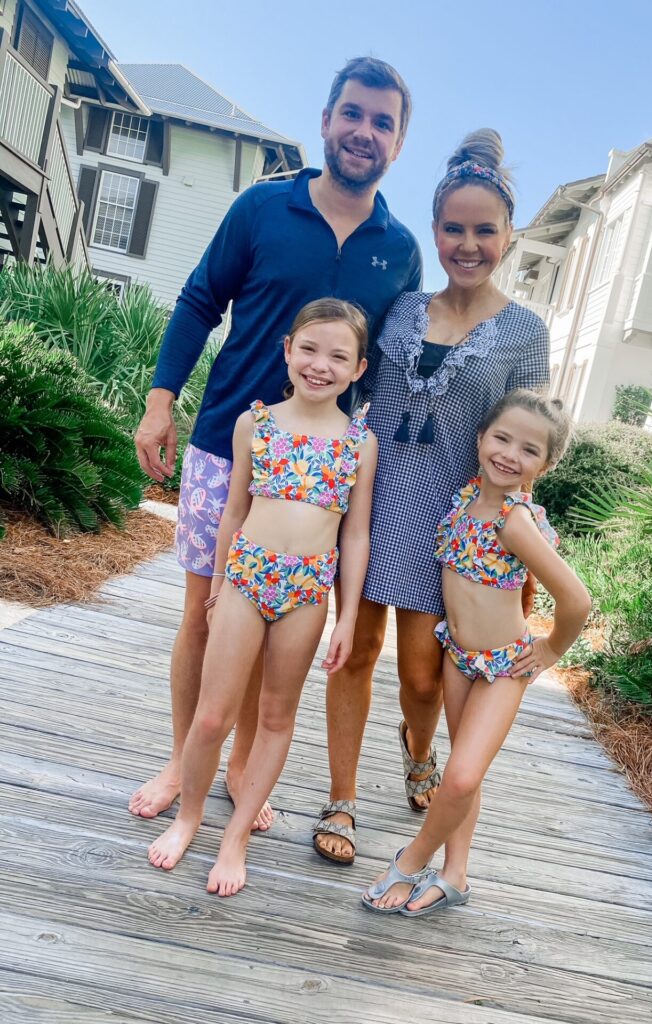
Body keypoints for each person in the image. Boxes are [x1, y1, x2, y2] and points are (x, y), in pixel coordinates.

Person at [129, 57, 421, 828]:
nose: (364, 131)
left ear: (399, 139)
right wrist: (161, 402)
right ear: (326, 120)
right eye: (352, 113)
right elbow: (199, 299)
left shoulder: (401, 249)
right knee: (206, 613)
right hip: (230, 442)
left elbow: (389, 372)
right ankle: (180, 755)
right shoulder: (261, 209)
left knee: (279, 630)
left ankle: (242, 767)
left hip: (320, 471)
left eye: (382, 121)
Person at [314, 130, 549, 865]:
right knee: (354, 652)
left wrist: (522, 553)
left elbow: (528, 445)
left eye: (484, 230)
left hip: (447, 526)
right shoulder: (402, 310)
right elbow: (358, 397)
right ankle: (342, 800)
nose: (468, 243)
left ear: (509, 236)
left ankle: (419, 752)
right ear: (436, 229)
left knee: (423, 673)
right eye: (454, 228)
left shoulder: (525, 333)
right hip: (369, 504)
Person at [147, 299, 376, 896]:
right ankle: (190, 818)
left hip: (307, 591)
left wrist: (346, 616)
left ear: (358, 369)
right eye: (309, 349)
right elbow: (233, 512)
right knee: (213, 715)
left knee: (276, 716)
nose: (320, 364)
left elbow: (355, 533)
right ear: (287, 351)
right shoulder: (256, 423)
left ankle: (236, 837)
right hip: (247, 579)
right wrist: (219, 585)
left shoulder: (359, 442)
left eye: (338, 356)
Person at [362, 389, 591, 914]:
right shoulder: (466, 497)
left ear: (546, 464)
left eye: (529, 450)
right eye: (502, 438)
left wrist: (551, 649)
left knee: (462, 775)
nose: (510, 454)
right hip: (457, 657)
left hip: (502, 666)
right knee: (467, 771)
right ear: (480, 438)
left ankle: (411, 860)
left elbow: (577, 600)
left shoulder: (515, 520)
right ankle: (455, 874)